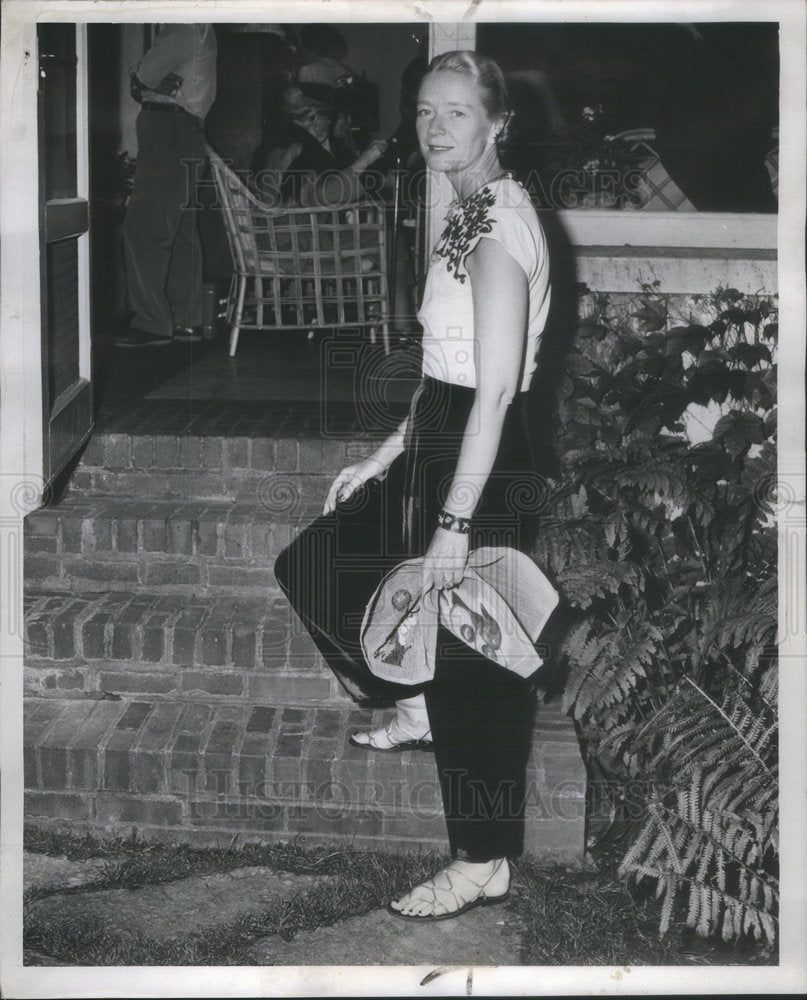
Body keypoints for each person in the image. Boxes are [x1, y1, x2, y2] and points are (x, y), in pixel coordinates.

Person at [274, 50, 552, 920]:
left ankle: (481, 860)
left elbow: (496, 388)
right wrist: (388, 454)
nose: (435, 129)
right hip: (443, 430)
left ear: (496, 123)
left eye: (457, 113)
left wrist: (455, 521)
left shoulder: (500, 227)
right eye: (425, 112)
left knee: (477, 662)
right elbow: (447, 369)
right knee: (315, 564)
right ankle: (415, 694)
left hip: (487, 455)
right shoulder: (463, 212)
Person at [115, 23, 217, 349]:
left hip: (168, 126)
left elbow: (143, 75)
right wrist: (142, 79)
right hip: (180, 128)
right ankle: (187, 321)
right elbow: (142, 79)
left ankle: (152, 323)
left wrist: (141, 78)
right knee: (180, 230)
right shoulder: (194, 25)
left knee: (143, 227)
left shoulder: (186, 24)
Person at [252, 83, 386, 208]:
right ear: (315, 117)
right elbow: (323, 195)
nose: (348, 122)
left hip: (312, 226)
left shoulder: (331, 146)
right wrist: (365, 160)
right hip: (293, 229)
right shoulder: (293, 148)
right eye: (341, 116)